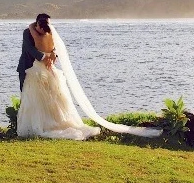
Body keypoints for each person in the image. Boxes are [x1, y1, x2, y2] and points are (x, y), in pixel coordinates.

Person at [15, 13, 162, 140]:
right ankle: (39, 123)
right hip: (30, 67)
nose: (43, 31)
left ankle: (46, 123)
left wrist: (51, 54)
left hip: (41, 69)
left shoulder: (42, 31)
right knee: (33, 97)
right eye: (41, 28)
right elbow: (29, 48)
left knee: (46, 98)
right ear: (38, 25)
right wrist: (46, 57)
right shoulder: (28, 32)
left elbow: (53, 47)